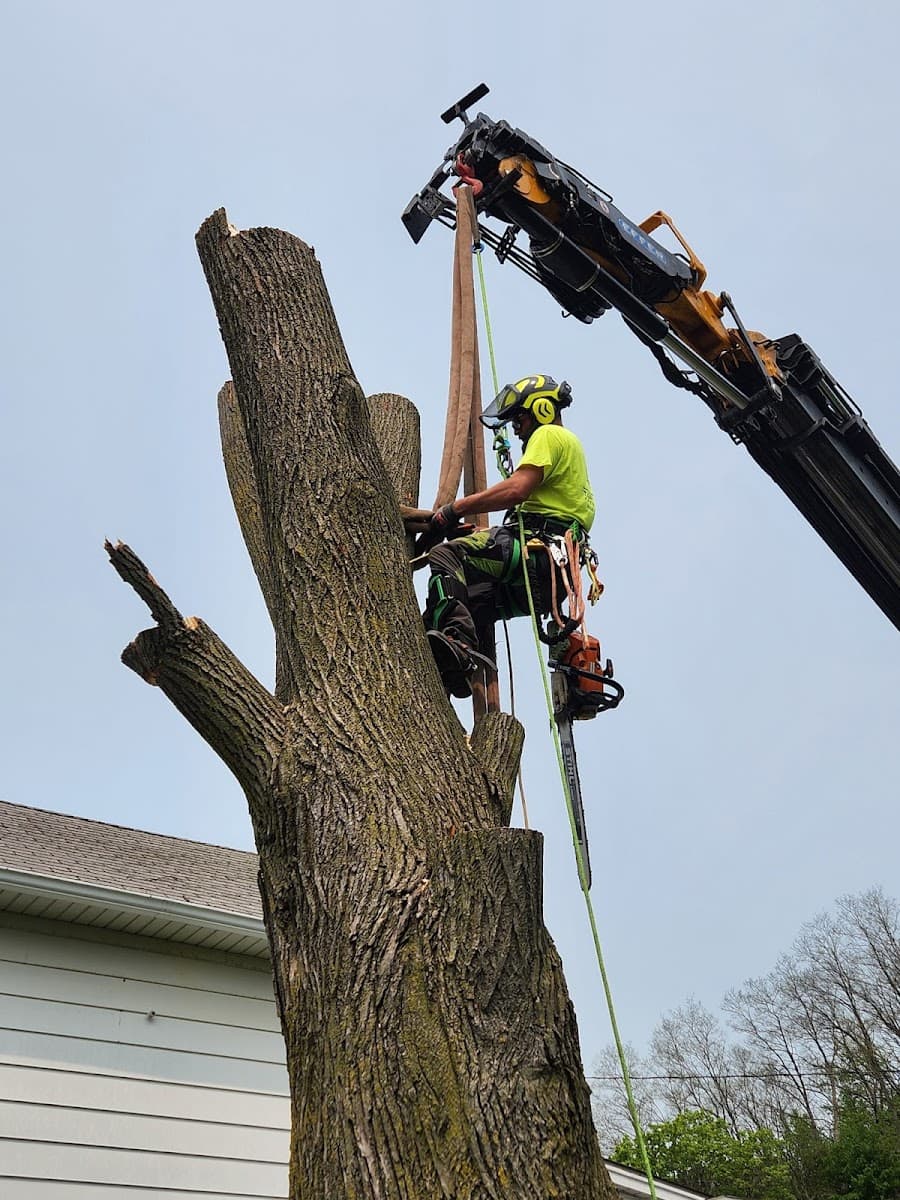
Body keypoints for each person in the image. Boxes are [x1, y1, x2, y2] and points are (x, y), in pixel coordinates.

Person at [423, 374, 596, 697]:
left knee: (446, 556)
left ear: (542, 409)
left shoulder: (549, 435)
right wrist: (479, 534)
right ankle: (455, 668)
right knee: (464, 600)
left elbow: (517, 489)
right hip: (549, 581)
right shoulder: (570, 450)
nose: (516, 427)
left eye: (520, 417)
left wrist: (455, 508)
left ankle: (458, 646)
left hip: (536, 555)